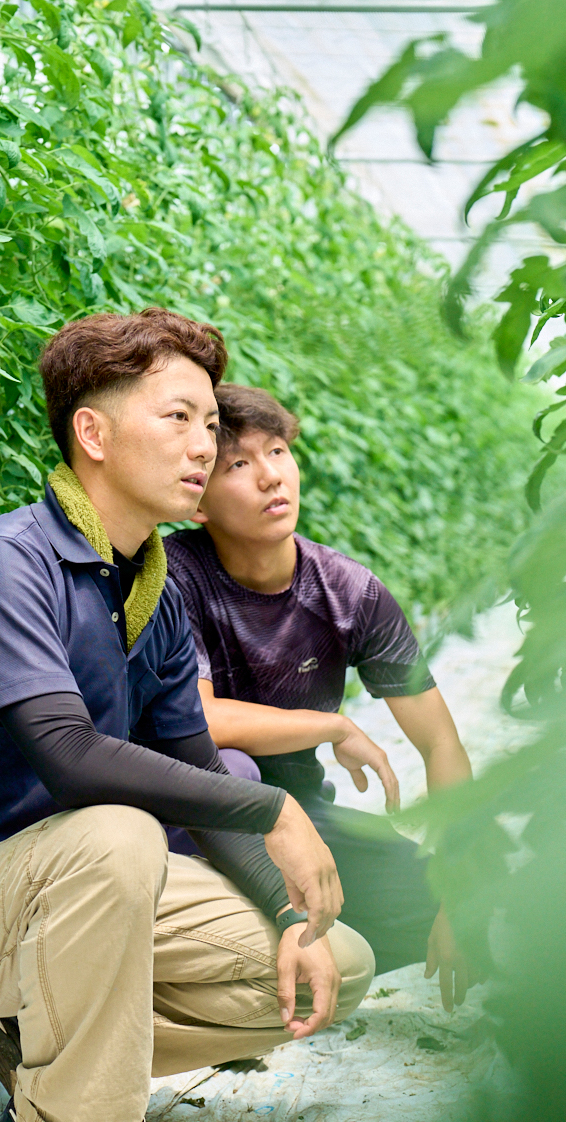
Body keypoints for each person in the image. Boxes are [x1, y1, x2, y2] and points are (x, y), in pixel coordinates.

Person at [0, 311, 374, 1122]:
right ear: (93, 433)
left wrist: (283, 911)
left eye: (210, 423)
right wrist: (274, 806)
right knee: (120, 829)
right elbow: (69, 755)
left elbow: (200, 770)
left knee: (332, 961)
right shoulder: (5, 566)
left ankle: (44, 1051)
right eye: (178, 418)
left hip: (84, 897)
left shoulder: (156, 594)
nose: (204, 446)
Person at [163, 384, 475, 1012]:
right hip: (190, 819)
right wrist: (329, 727)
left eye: (277, 451)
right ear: (197, 501)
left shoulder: (350, 595)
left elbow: (441, 744)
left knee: (463, 910)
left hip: (303, 820)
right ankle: (221, 977)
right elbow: (198, 720)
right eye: (238, 465)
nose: (270, 477)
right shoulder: (175, 577)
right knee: (236, 770)